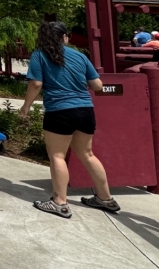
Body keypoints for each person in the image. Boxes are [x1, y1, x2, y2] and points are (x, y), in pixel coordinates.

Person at [21, 21, 119, 218]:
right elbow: (98, 85)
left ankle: (60, 203)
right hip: (85, 110)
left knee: (57, 155)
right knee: (87, 154)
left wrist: (26, 106)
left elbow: (36, 83)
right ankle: (105, 198)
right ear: (64, 37)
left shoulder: (39, 55)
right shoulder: (80, 56)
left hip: (59, 111)